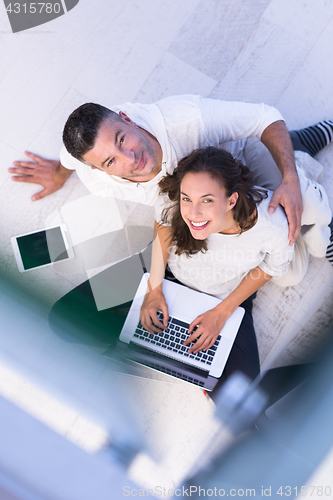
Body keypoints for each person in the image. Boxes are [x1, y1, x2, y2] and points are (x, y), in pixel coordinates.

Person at [139, 147, 330, 388]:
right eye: (187, 198)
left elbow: (272, 266)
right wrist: (153, 289)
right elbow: (164, 223)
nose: (193, 213)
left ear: (231, 200)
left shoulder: (272, 227)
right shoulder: (174, 199)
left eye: (207, 200)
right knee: (92, 301)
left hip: (229, 292)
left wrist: (221, 313)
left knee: (241, 394)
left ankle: (298, 160)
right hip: (174, 275)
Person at [10, 95, 307, 244]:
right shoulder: (95, 178)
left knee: (296, 214)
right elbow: (70, 156)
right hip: (207, 204)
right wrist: (59, 175)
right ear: (97, 169)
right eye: (110, 161)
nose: (129, 158)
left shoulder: (189, 118)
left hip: (239, 162)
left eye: (121, 138)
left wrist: (290, 178)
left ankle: (305, 142)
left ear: (126, 118)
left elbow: (265, 117)